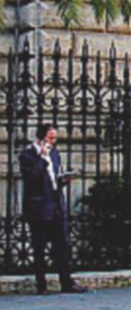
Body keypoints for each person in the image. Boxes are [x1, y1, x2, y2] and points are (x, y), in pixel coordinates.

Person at [19, 123, 86, 295]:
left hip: (56, 204)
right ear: (40, 139)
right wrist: (42, 158)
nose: (53, 141)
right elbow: (33, 178)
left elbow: (53, 178)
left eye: (55, 138)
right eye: (50, 138)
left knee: (62, 245)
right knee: (39, 246)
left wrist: (63, 180)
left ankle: (66, 282)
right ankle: (41, 284)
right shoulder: (27, 155)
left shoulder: (55, 154)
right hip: (39, 207)